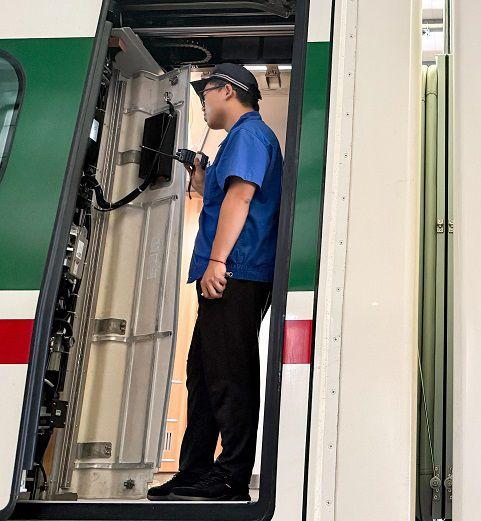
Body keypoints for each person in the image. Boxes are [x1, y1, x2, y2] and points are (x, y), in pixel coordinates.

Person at [147, 63, 283, 502]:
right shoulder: (238, 141)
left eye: (205, 92)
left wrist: (218, 261)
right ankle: (195, 471)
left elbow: (242, 198)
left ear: (226, 90)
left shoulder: (249, 135)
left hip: (236, 271)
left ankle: (231, 476)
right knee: (204, 375)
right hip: (229, 271)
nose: (203, 102)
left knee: (229, 375)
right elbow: (228, 198)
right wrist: (203, 182)